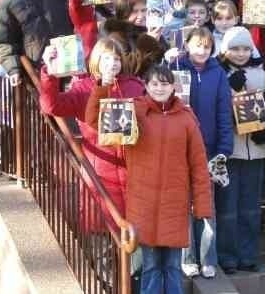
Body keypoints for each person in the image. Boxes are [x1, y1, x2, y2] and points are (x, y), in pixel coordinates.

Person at [84, 63, 213, 294]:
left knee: (173, 267)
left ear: (173, 86)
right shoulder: (134, 112)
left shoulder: (186, 118)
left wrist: (202, 206)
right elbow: (95, 121)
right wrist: (103, 86)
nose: (159, 88)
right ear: (146, 85)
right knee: (151, 267)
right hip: (143, 203)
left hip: (175, 203)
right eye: (154, 83)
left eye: (164, 83)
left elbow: (199, 165)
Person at [40, 38, 145, 222]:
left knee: (135, 235)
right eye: (106, 59)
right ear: (96, 61)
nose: (112, 63)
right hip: (101, 171)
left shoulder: (134, 86)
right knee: (103, 231)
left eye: (116, 59)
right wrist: (50, 73)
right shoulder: (84, 88)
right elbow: (51, 106)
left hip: (134, 169)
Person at [164, 27, 233, 279]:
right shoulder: (177, 68)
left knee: (206, 207)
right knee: (184, 205)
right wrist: (166, 61)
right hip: (180, 149)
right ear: (187, 47)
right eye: (196, 45)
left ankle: (208, 258)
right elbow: (162, 97)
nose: (201, 51)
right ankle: (188, 257)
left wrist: (225, 148)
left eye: (206, 46)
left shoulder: (218, 74)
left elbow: (224, 113)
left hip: (209, 150)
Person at [216, 27, 265, 274]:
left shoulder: (261, 75)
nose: (240, 53)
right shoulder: (219, 73)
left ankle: (248, 255)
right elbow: (216, 107)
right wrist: (230, 88)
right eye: (235, 49)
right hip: (230, 150)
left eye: (245, 48)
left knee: (250, 206)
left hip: (256, 149)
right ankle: (227, 256)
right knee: (228, 207)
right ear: (225, 50)